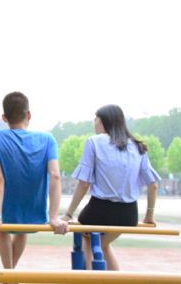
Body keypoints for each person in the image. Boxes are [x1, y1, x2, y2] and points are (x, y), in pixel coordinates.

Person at [61, 104, 160, 270]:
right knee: (103, 245)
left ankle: (88, 279)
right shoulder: (137, 146)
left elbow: (84, 183)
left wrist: (68, 214)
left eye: (96, 119)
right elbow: (153, 185)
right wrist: (149, 216)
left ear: (104, 121)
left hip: (99, 210)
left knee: (87, 238)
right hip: (128, 215)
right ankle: (115, 279)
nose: (94, 123)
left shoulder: (94, 142)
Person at [0, 91, 68, 269]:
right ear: (28, 115)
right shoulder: (48, 139)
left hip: (6, 210)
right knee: (22, 232)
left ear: (4, 117)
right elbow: (55, 175)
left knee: (1, 230)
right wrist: (54, 217)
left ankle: (9, 276)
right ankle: (10, 276)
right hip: (33, 213)